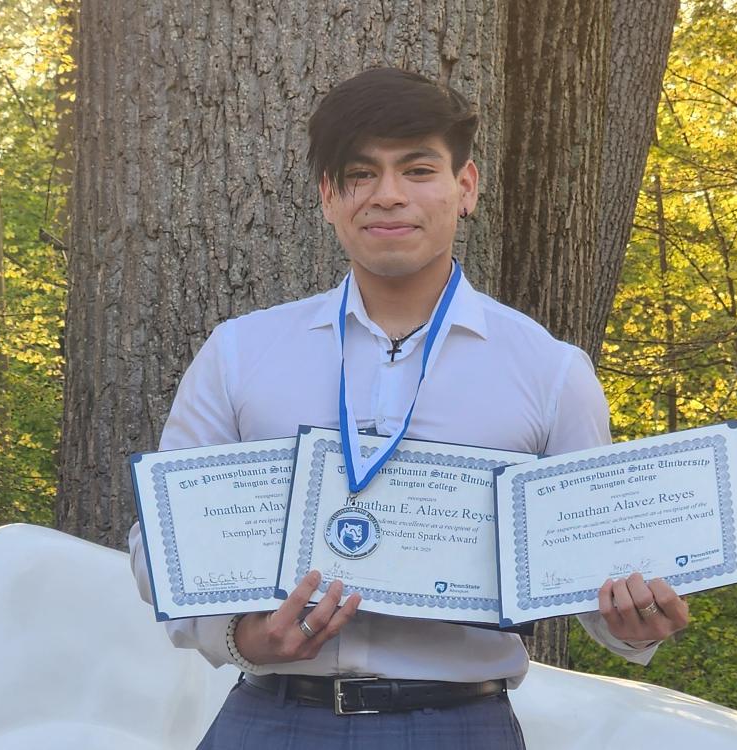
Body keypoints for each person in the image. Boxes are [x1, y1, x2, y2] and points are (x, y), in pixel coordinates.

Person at [128, 67, 689, 749]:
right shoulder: (241, 353)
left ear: (466, 187)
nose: (388, 196)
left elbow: (590, 564)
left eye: (418, 170)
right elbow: (160, 541)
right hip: (270, 716)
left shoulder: (549, 371)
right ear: (329, 197)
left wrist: (631, 625)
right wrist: (240, 637)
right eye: (360, 175)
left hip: (461, 726)